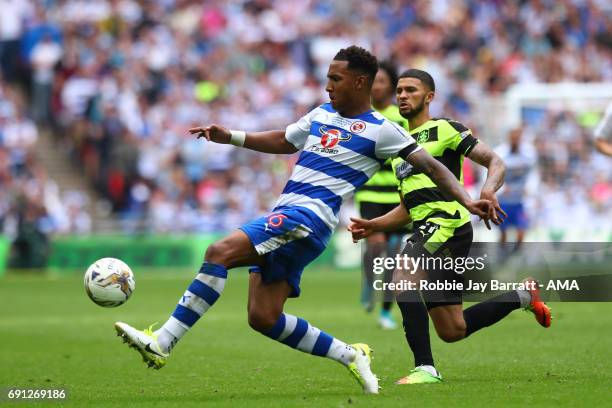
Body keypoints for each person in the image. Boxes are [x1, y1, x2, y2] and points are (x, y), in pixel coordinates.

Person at [113, 47, 492, 394]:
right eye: (327, 78)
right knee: (262, 317)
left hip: (308, 218)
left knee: (219, 252)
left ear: (360, 82)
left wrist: (468, 200)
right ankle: (350, 354)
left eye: (335, 79)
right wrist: (230, 136)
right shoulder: (321, 114)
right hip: (287, 214)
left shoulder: (383, 130)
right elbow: (284, 140)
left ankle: (163, 341)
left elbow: (434, 168)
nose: (327, 86)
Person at [349, 69, 552, 385]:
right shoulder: (398, 145)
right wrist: (374, 223)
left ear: (429, 96)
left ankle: (425, 368)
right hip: (427, 225)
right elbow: (408, 206)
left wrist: (487, 191)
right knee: (452, 329)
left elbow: (496, 161)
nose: (402, 95)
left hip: (447, 225)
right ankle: (522, 296)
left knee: (402, 273)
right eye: (399, 90)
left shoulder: (445, 129)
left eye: (411, 90)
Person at [354, 61, 409, 329]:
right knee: (375, 247)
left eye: (382, 82)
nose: (376, 86)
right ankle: (368, 281)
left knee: (394, 254)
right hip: (370, 193)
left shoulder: (401, 117)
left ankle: (386, 311)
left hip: (396, 194)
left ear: (391, 86)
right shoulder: (362, 116)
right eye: (374, 81)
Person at [495, 127, 536, 251]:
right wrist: (501, 188)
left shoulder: (529, 153)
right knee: (503, 233)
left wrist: (529, 188)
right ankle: (502, 253)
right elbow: (488, 173)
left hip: (520, 202)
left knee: (522, 230)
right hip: (503, 202)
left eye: (518, 136)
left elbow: (533, 173)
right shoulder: (499, 153)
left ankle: (516, 254)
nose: (516, 139)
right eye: (513, 136)